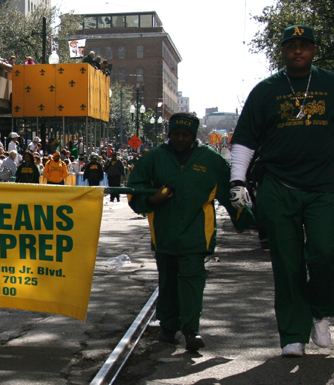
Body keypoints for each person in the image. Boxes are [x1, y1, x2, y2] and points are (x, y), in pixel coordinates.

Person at [229, 24, 334, 357]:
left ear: (314, 50)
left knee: (325, 253)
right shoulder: (266, 91)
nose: (298, 50)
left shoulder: (330, 84)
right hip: (278, 185)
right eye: (292, 46)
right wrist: (237, 180)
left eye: (304, 45)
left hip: (325, 187)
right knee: (286, 264)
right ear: (283, 51)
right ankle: (292, 333)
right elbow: (245, 138)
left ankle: (320, 313)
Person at [128, 112, 253, 351]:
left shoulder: (211, 160)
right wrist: (153, 199)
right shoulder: (153, 158)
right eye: (176, 134)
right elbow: (135, 190)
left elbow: (229, 192)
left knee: (192, 282)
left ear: (194, 135)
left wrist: (243, 220)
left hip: (197, 235)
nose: (181, 139)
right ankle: (167, 326)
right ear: (169, 134)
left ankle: (191, 329)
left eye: (186, 134)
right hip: (164, 234)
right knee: (167, 281)